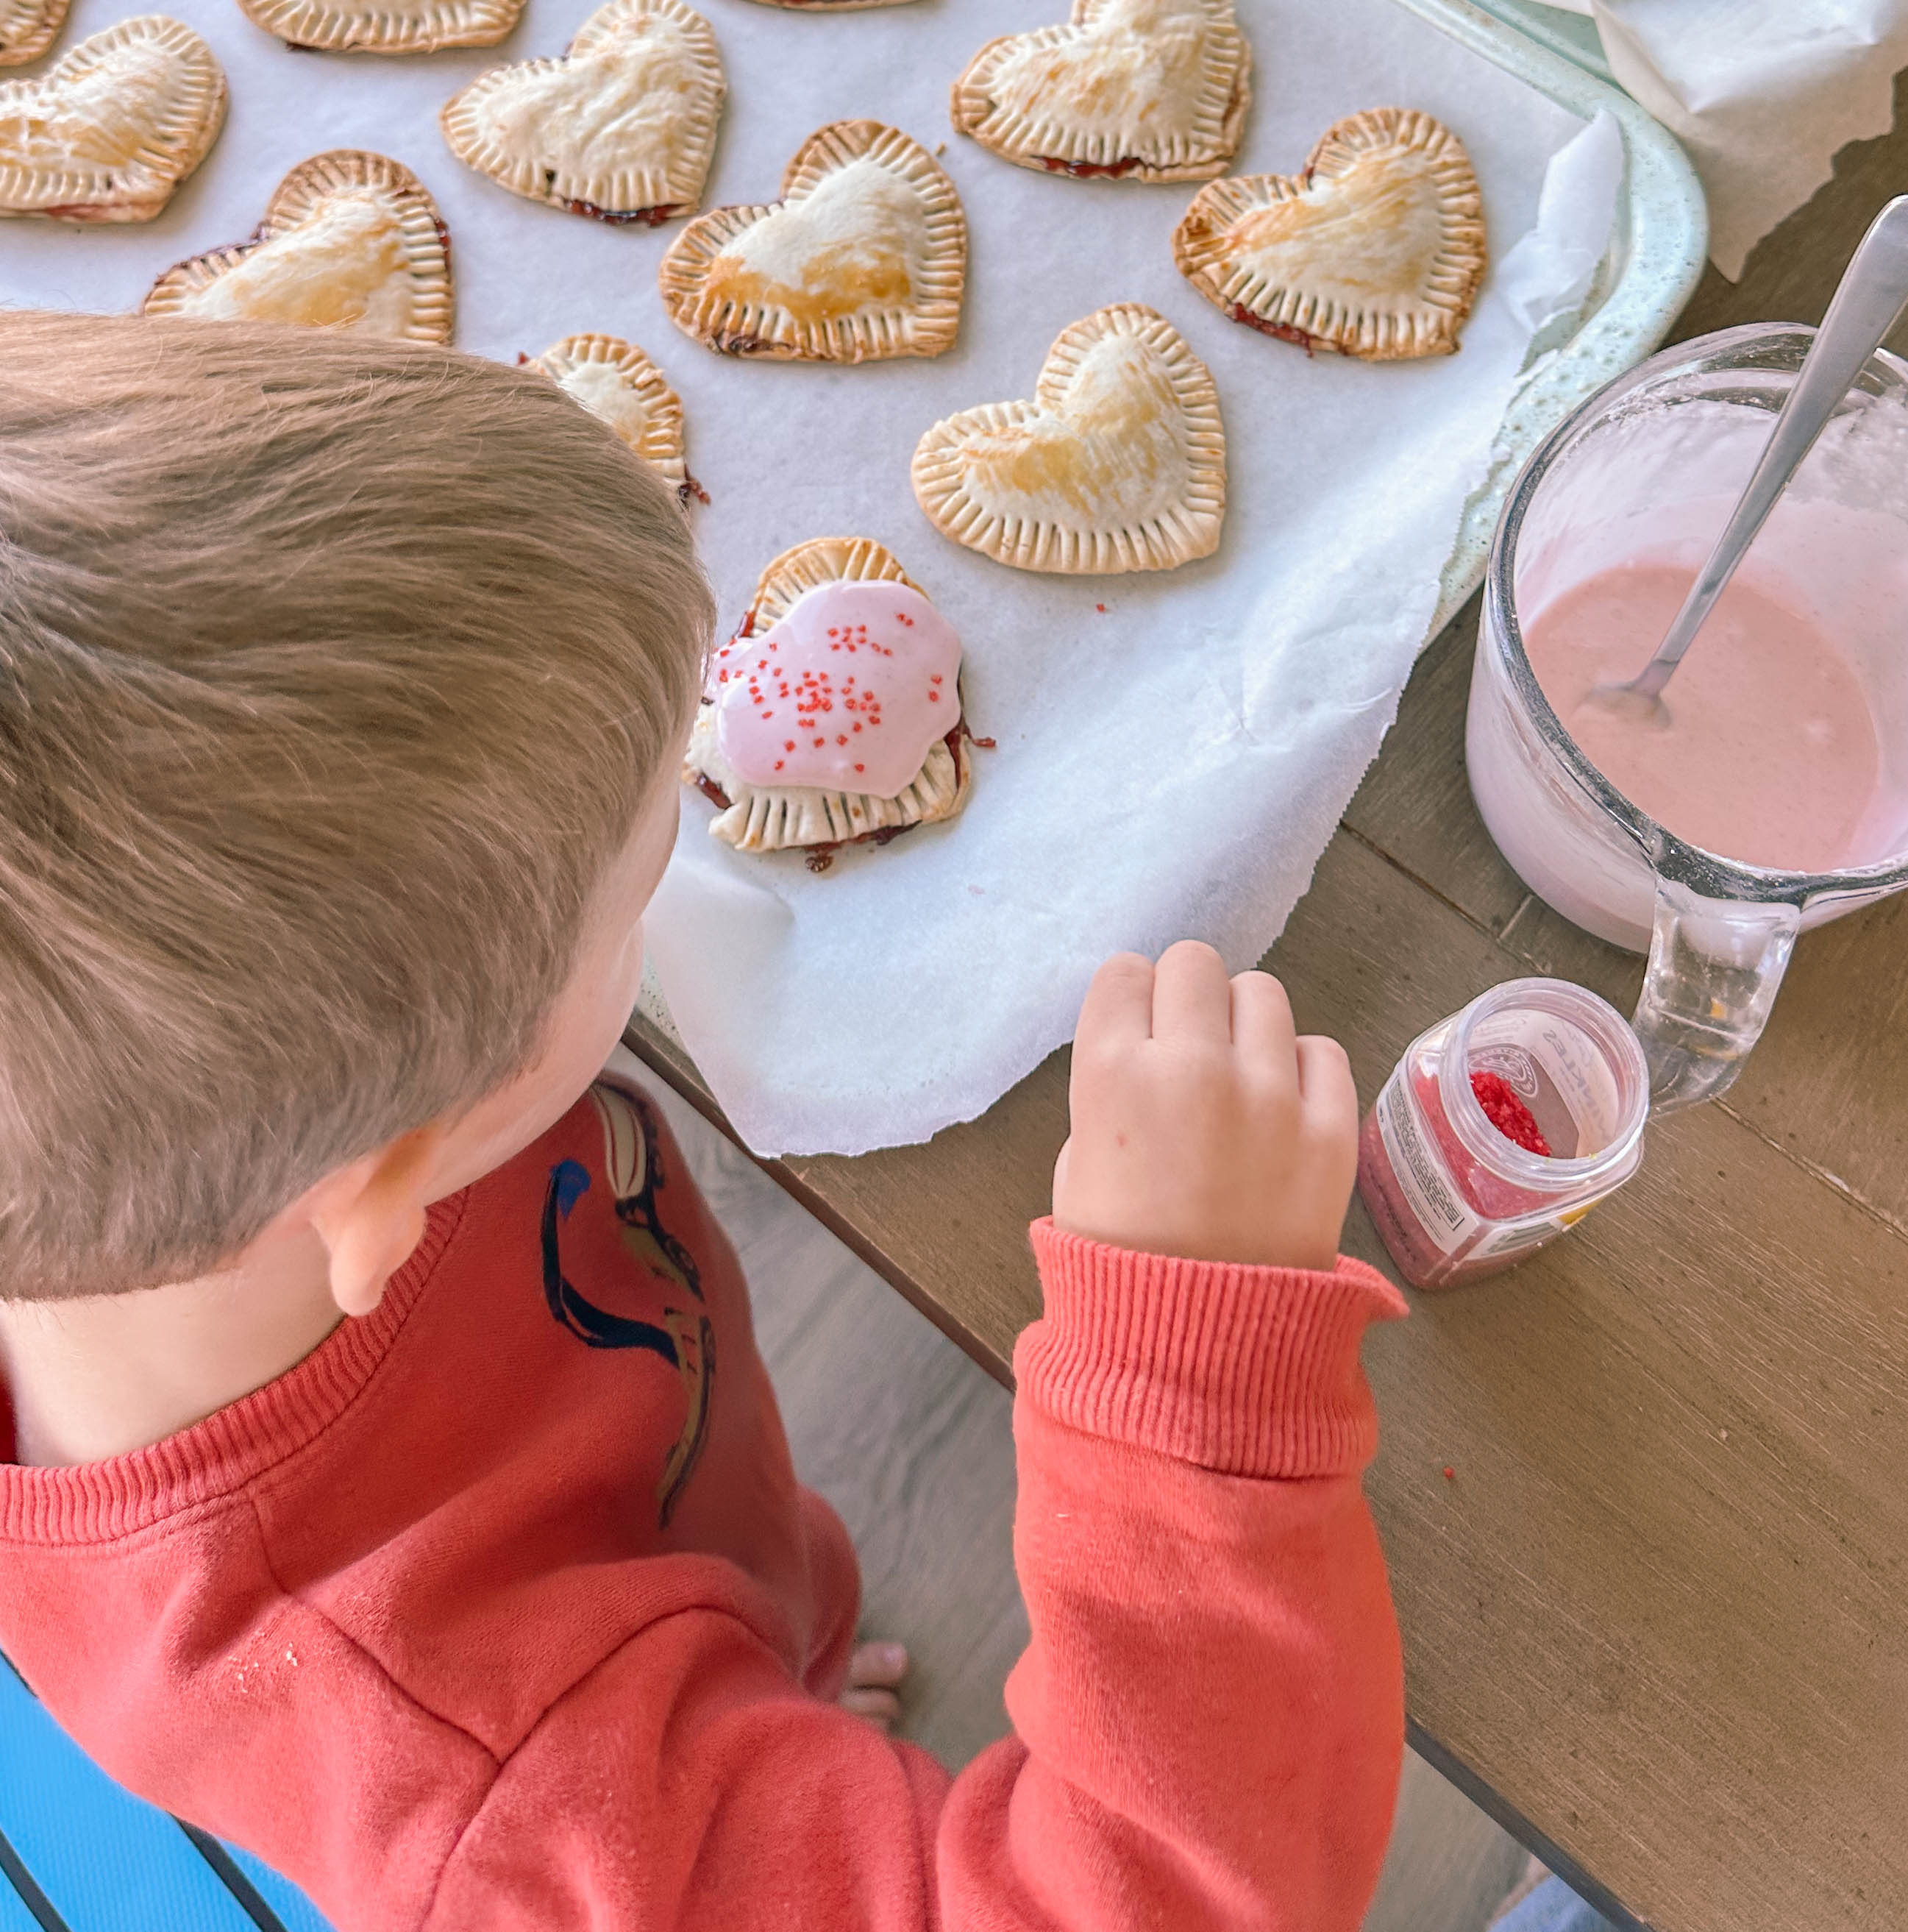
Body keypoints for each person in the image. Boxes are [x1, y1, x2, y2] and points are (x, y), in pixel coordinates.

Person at [0, 312, 1407, 1931]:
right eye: (635, 891)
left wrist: (746, 1743)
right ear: (389, 1173)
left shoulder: (144, 1149)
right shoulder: (502, 1789)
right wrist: (1192, 1373)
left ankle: (763, 1710)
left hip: (678, 1595)